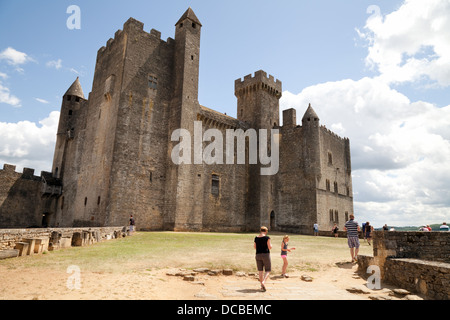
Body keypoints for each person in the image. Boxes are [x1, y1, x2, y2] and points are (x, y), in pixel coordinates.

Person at [254, 226, 272, 292]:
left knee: (260, 271)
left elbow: (254, 247)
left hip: (258, 255)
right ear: (266, 231)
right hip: (265, 254)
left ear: (260, 231)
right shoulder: (267, 238)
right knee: (268, 270)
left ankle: (261, 286)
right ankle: (264, 282)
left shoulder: (256, 238)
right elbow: (269, 247)